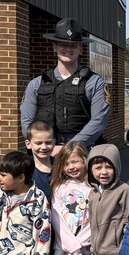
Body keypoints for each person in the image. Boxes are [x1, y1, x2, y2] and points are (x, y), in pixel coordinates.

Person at [19, 18, 111, 157]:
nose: (68, 49)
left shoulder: (95, 83)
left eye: (73, 45)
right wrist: (43, 146)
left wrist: (68, 149)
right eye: (63, 44)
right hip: (44, 155)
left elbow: (98, 122)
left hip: (81, 154)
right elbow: (27, 122)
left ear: (80, 49)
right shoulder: (36, 84)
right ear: (54, 46)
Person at [25, 120, 58, 255]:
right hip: (30, 230)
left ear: (54, 142)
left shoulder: (60, 168)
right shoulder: (25, 169)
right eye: (38, 143)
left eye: (48, 142)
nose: (43, 147)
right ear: (28, 144)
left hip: (55, 229)